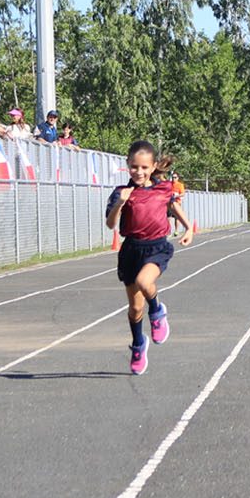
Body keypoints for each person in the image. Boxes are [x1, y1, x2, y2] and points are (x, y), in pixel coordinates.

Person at [104, 140, 194, 375]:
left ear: (153, 166)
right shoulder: (121, 193)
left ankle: (157, 312)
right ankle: (138, 344)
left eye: (144, 167)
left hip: (156, 247)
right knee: (134, 308)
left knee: (146, 282)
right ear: (127, 166)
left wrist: (189, 228)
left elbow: (173, 206)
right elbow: (110, 224)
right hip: (131, 250)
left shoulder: (164, 188)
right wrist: (120, 204)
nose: (139, 172)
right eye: (134, 167)